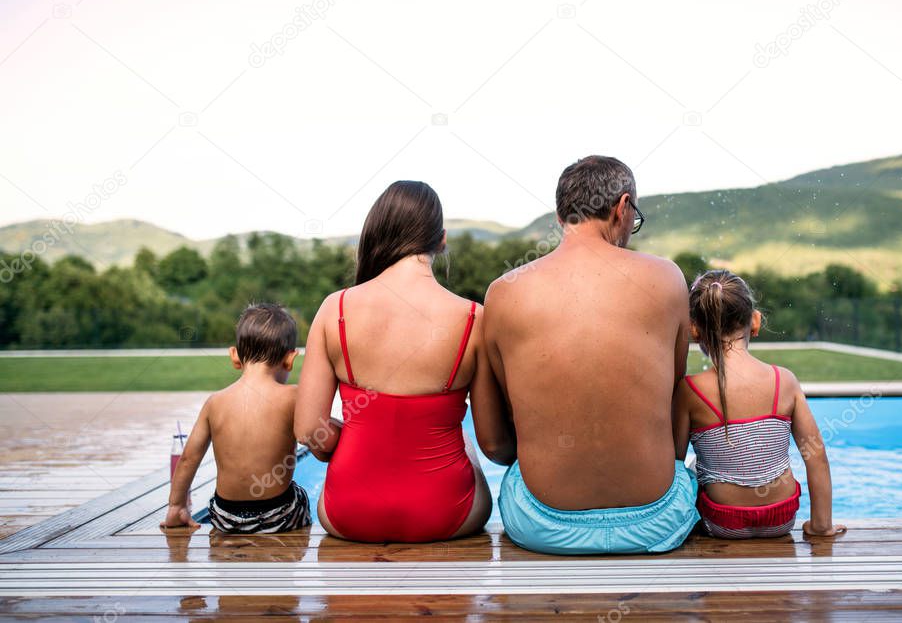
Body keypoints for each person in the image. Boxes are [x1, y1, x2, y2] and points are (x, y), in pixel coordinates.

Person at [483, 156, 699, 555]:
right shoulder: (667, 278)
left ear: (561, 216)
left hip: (543, 526)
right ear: (622, 207)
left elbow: (495, 446)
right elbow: (673, 391)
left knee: (516, 477)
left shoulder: (504, 292)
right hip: (654, 523)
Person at [295, 180, 514, 543]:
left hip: (347, 512)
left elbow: (307, 430)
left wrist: (354, 435)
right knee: (464, 435)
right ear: (441, 239)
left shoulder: (335, 309)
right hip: (448, 513)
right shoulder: (474, 318)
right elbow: (492, 444)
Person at [675, 270, 846, 539]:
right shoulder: (785, 380)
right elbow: (816, 456)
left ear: (694, 330)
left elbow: (673, 462)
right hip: (781, 518)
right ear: (755, 321)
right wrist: (821, 526)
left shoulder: (690, 390)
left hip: (722, 523)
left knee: (693, 468)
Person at [161, 303, 312, 534]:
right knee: (300, 494)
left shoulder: (215, 402)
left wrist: (176, 505)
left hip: (226, 517)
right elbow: (316, 434)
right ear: (290, 359)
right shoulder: (293, 396)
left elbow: (188, 459)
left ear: (234, 356)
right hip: (278, 515)